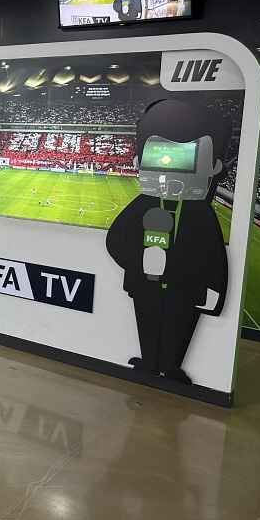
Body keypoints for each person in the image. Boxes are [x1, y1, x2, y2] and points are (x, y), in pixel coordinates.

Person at [106, 99, 230, 385]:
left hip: (185, 287)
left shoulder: (200, 213)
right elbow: (116, 241)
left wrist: (216, 289)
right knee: (147, 319)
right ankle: (150, 362)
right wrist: (140, 262)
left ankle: (172, 367)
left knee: (180, 323)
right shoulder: (144, 206)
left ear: (215, 167)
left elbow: (212, 253)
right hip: (146, 284)